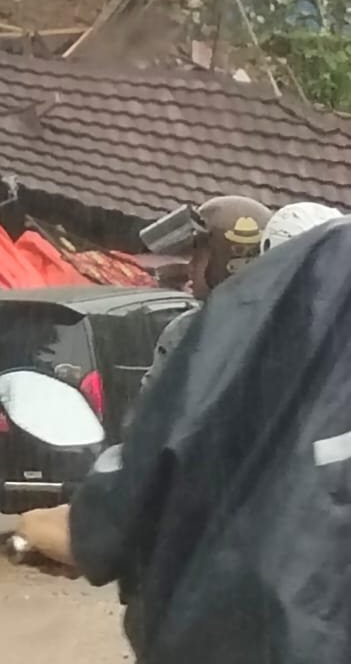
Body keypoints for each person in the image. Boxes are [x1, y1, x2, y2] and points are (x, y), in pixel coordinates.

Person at [69, 216, 351, 662]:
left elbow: (136, 480)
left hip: (244, 626)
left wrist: (94, 531)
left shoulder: (223, 343)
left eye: (199, 255)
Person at [139, 195, 270, 393]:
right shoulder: (184, 330)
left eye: (197, 258)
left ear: (228, 263)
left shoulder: (187, 334)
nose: (189, 267)